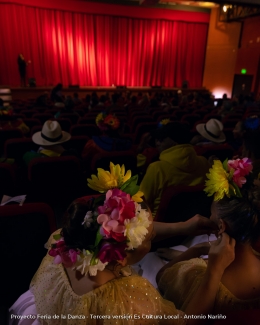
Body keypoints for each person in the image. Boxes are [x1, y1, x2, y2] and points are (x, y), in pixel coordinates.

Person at [9, 162, 235, 325]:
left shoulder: (67, 240)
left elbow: (136, 233)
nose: (152, 232)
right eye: (150, 237)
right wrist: (214, 270)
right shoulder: (127, 301)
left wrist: (185, 226)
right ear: (124, 253)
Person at [157, 157, 260, 314]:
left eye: (211, 214)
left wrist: (196, 249)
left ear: (221, 226)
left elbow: (162, 277)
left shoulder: (199, 278)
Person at [140, 123, 209, 217]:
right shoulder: (204, 162)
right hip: (196, 224)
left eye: (161, 139)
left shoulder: (157, 168)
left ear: (175, 142)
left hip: (160, 228)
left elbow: (141, 203)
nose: (157, 143)